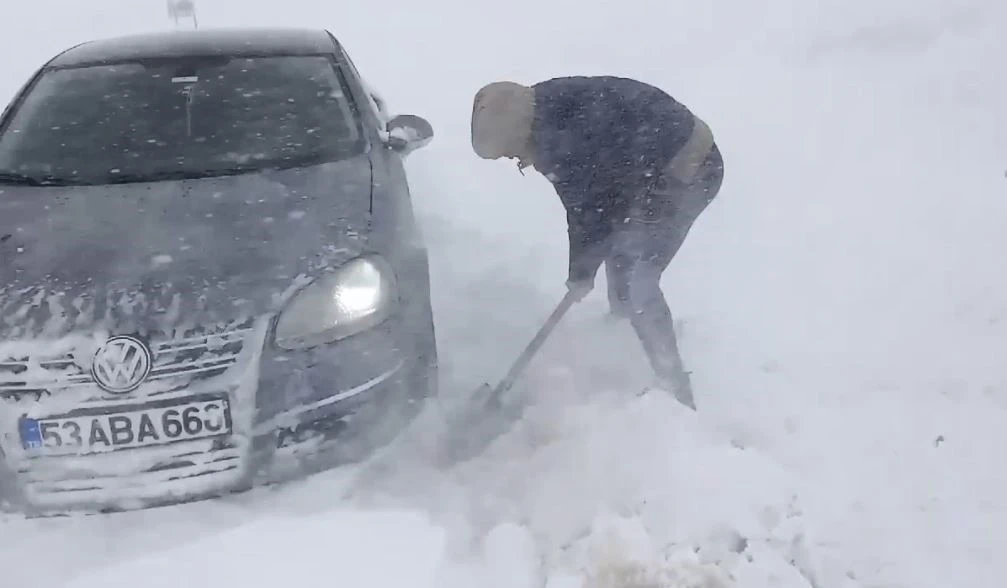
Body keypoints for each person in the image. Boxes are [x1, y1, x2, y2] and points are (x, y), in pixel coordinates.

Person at [469, 76, 724, 409]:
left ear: (518, 132)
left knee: (638, 280)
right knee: (621, 254)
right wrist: (583, 270)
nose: (513, 159)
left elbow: (590, 208)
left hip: (689, 167)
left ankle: (674, 386)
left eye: (508, 151)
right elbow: (587, 207)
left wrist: (581, 273)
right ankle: (621, 336)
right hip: (646, 171)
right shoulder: (543, 113)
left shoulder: (562, 138)